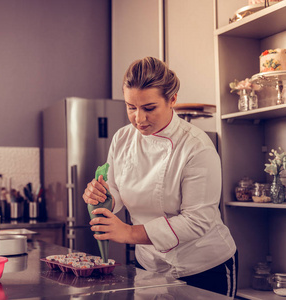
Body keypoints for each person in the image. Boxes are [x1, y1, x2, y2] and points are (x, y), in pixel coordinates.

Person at [82, 57, 238, 297]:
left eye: (149, 108)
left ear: (172, 99)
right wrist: (103, 196)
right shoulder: (122, 138)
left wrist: (130, 233)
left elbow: (198, 219)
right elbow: (116, 191)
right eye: (131, 107)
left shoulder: (197, 146)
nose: (139, 119)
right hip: (149, 266)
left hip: (203, 266)